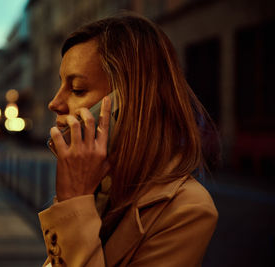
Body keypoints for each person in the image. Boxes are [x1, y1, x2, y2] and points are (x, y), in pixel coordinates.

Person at [39, 14, 220, 267]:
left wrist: (73, 203)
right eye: (61, 85)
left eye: (78, 88)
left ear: (128, 103)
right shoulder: (99, 187)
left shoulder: (188, 210)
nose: (55, 102)